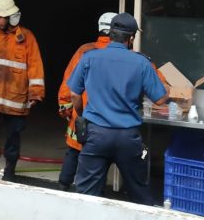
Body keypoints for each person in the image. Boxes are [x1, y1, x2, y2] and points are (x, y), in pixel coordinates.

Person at [68, 12, 168, 205]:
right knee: (139, 193)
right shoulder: (141, 62)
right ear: (131, 38)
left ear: (110, 33)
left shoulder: (90, 57)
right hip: (127, 138)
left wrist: (81, 114)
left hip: (95, 134)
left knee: (86, 196)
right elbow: (161, 99)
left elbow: (74, 94)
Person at [0, 0, 45, 181]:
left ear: (10, 16)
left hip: (16, 97)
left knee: (13, 136)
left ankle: (10, 168)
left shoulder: (27, 38)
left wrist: (36, 93)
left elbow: (35, 66)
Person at [56, 12, 117, 191]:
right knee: (99, 157)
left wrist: (65, 108)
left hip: (81, 113)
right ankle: (93, 190)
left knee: (74, 151)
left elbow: (69, 81)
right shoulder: (124, 55)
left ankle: (63, 185)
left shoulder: (85, 50)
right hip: (106, 118)